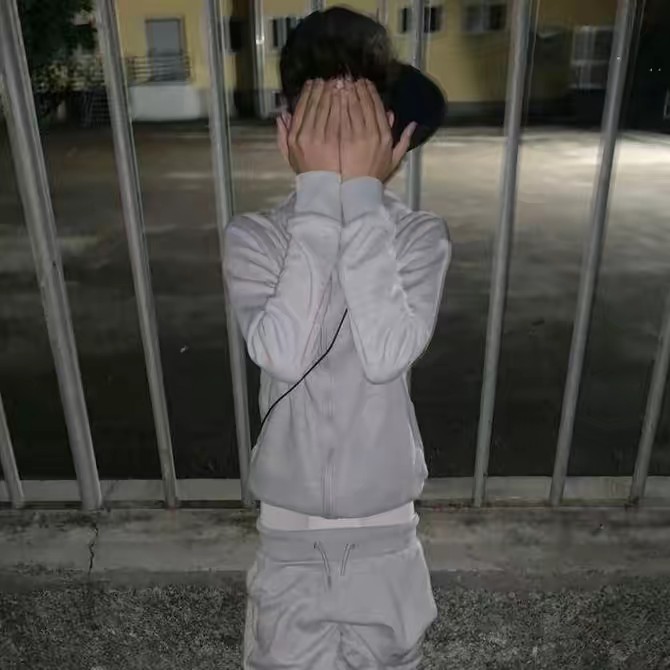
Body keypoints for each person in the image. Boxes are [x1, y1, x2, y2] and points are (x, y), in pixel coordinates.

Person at [223, 6, 451, 669]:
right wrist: (320, 198)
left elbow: (385, 354)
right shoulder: (254, 238)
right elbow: (281, 351)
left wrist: (362, 202)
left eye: (361, 120)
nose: (346, 140)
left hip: (389, 542)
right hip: (288, 546)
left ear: (390, 132)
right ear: (291, 131)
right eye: (328, 121)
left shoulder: (418, 237)